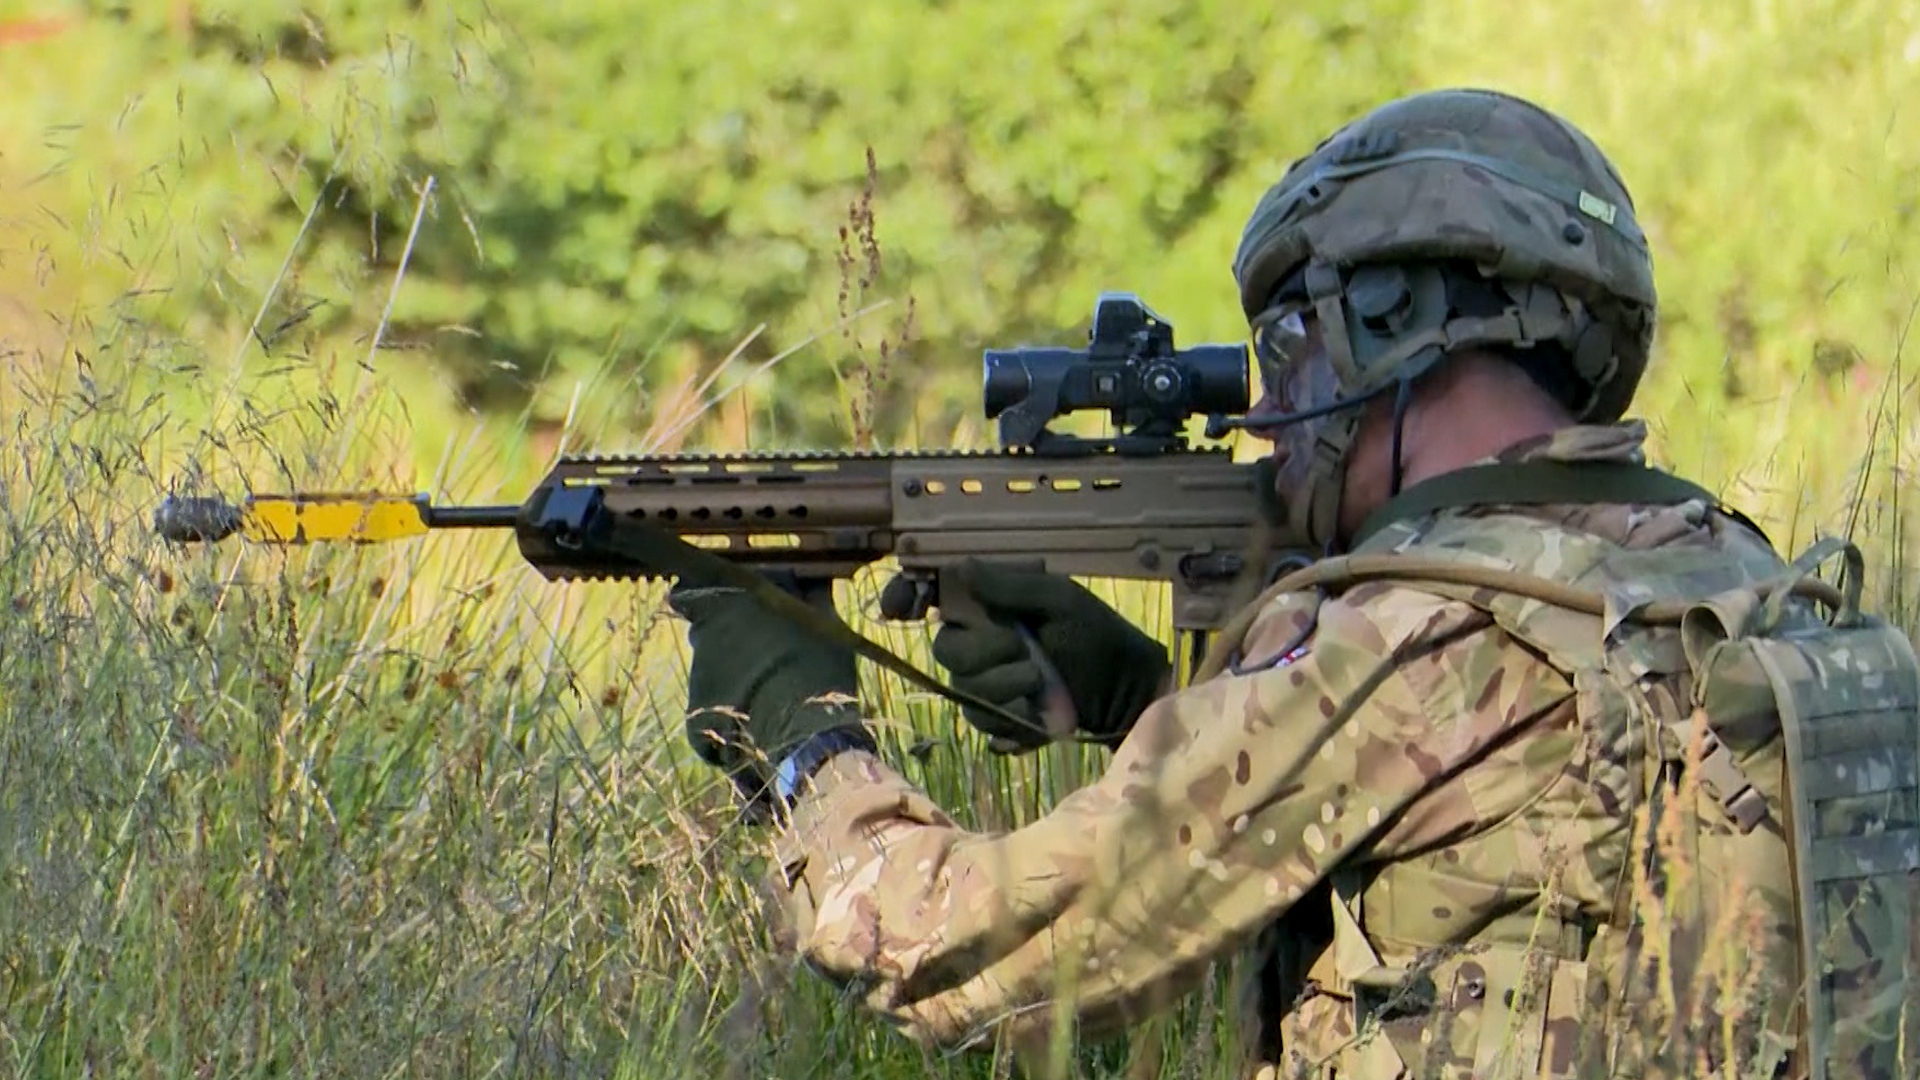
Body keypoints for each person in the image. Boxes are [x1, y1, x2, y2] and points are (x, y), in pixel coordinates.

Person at [665, 89, 1912, 1079]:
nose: (1264, 411)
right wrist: (1149, 699)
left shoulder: (1415, 644)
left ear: (1393, 323)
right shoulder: (1732, 570)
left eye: (1290, 349)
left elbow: (963, 955)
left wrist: (796, 733)